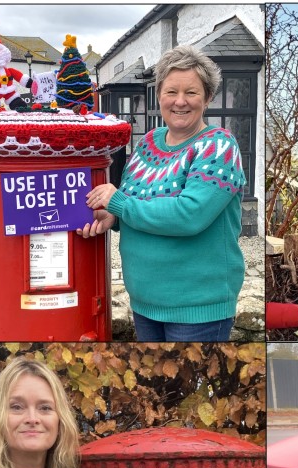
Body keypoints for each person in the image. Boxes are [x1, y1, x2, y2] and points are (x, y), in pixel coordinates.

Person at [78, 45, 247, 342]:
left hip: (198, 310)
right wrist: (111, 217)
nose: (180, 102)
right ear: (159, 96)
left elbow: (189, 215)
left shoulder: (219, 146)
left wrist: (119, 203)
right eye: (171, 92)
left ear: (207, 98)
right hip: (144, 303)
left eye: (191, 93)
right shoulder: (149, 142)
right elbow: (133, 203)